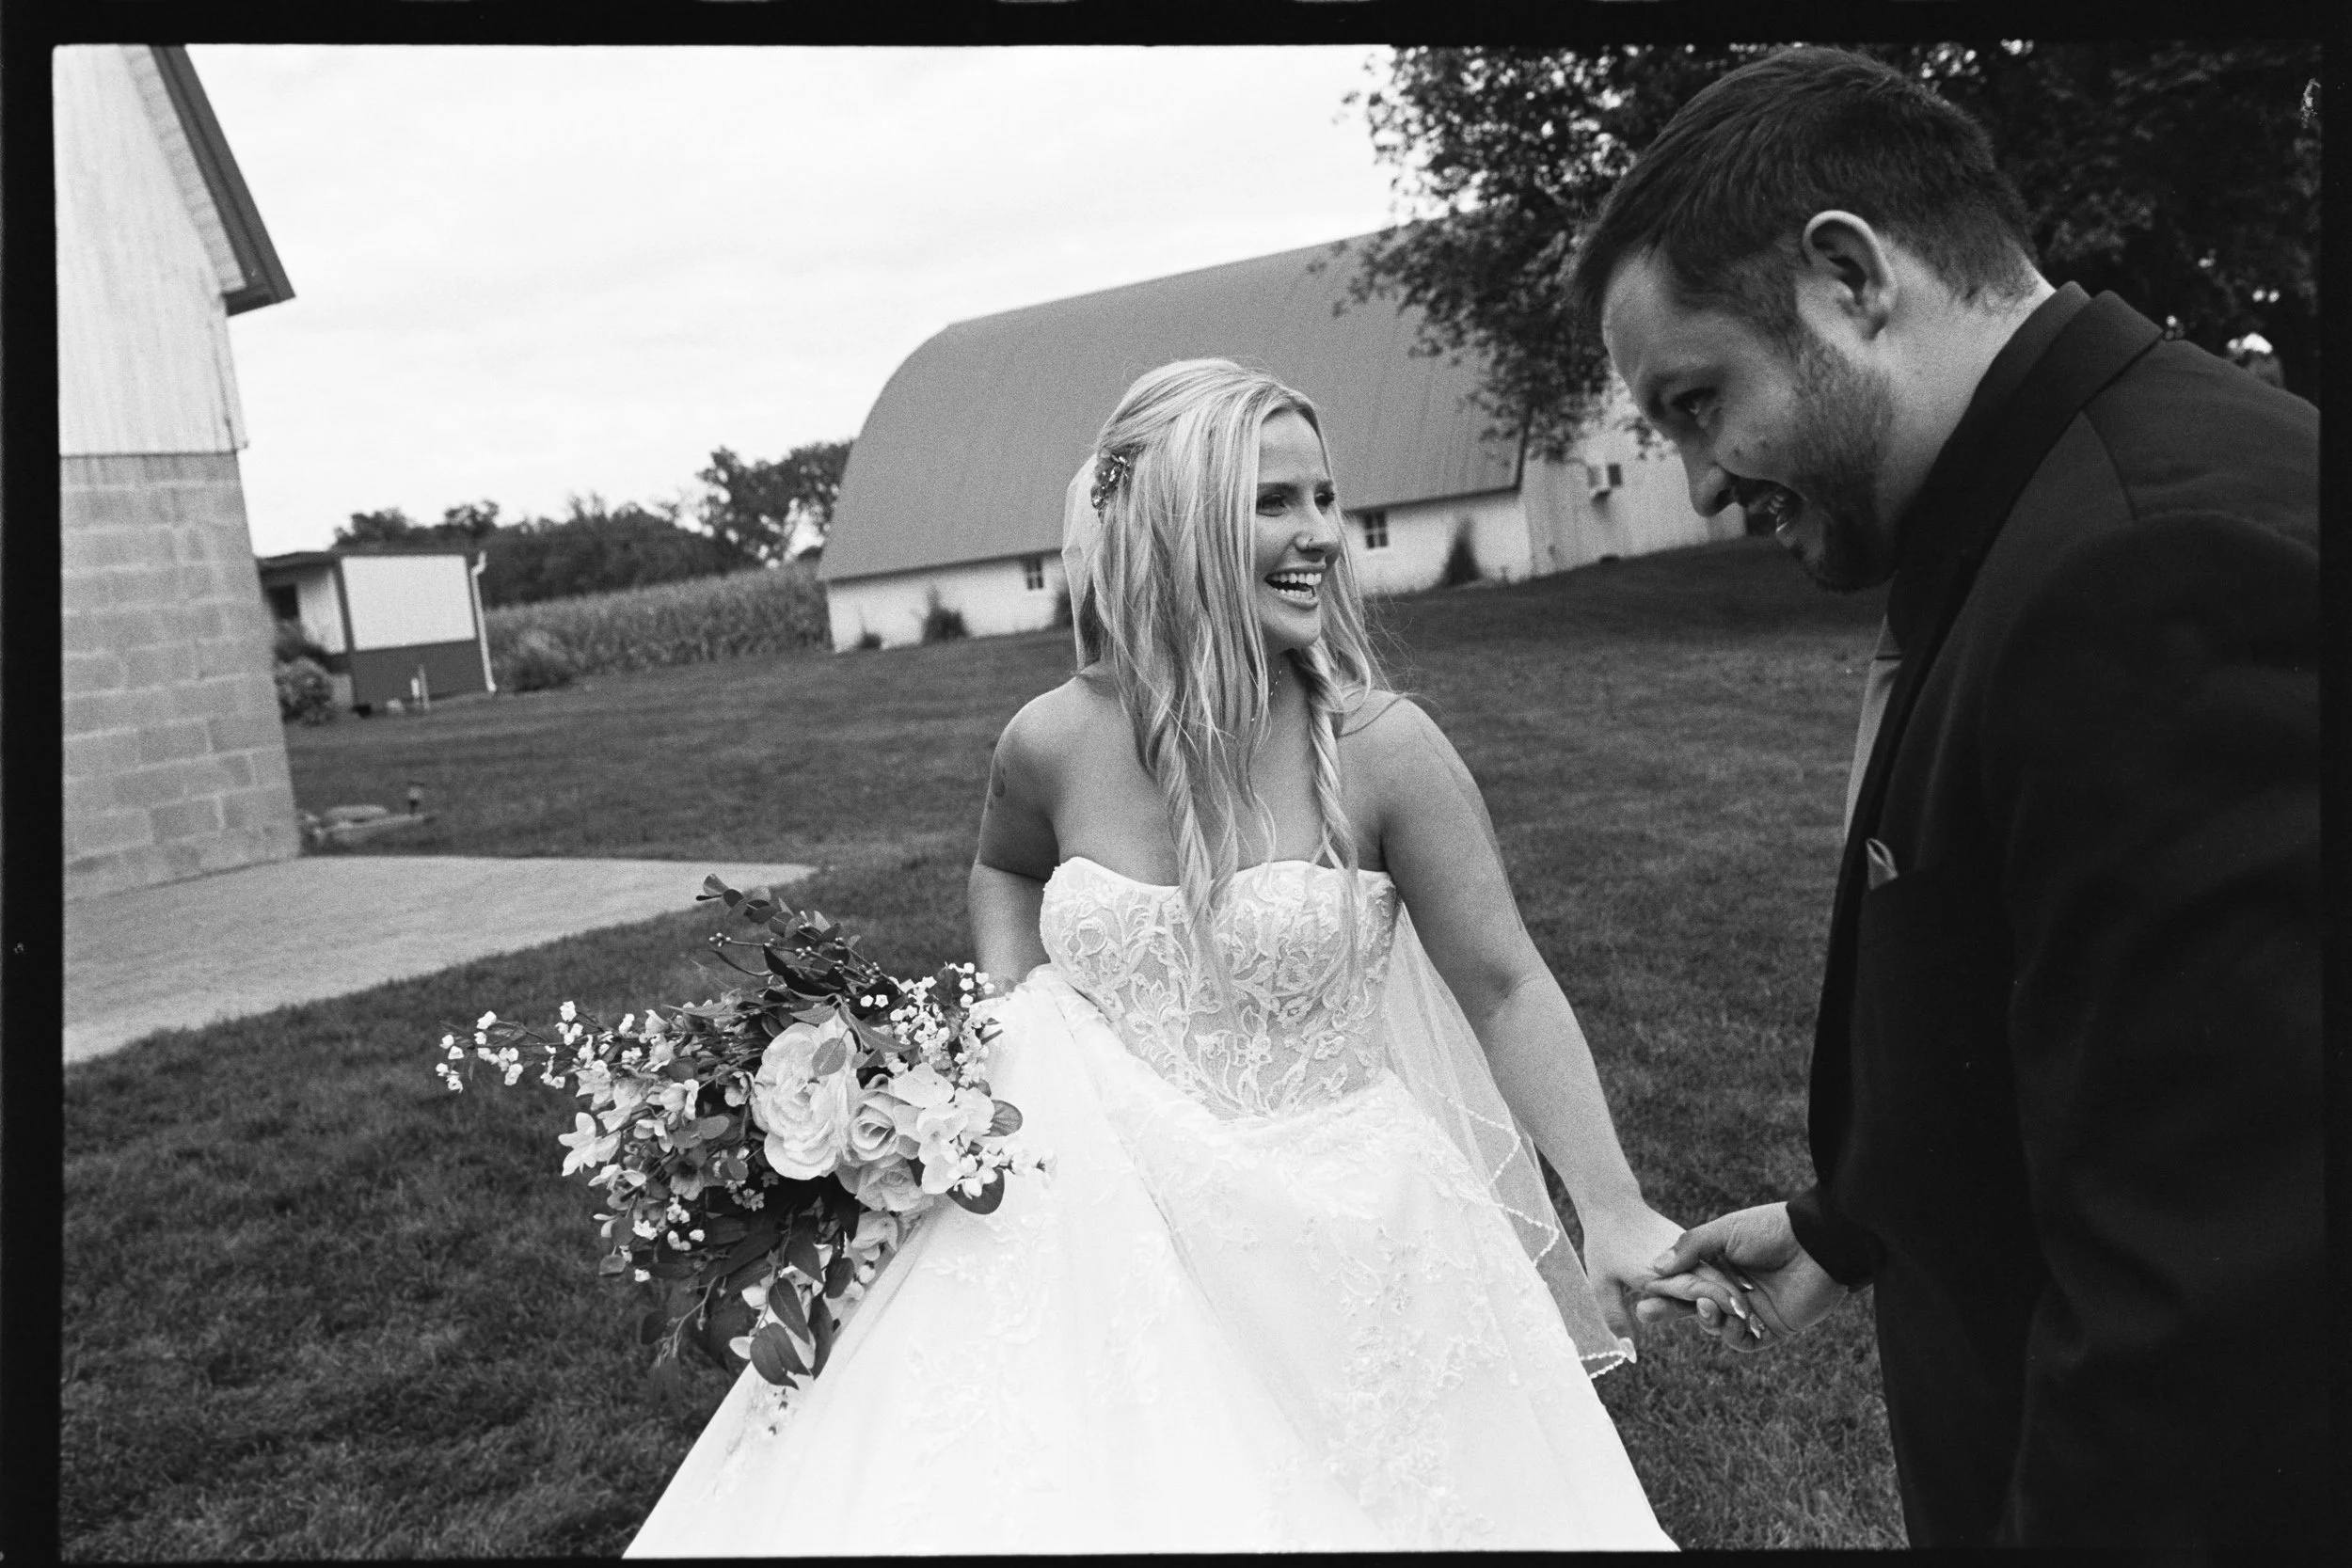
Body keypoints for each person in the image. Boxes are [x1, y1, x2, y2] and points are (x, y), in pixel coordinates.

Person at [626, 358, 1710, 1554]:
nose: (1323, 538)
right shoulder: (1050, 738)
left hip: (1351, 1235)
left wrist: (1610, 1207)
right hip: (1104, 1213)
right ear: (1176, 521)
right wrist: (1007, 1015)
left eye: (1324, 498)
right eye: (1274, 503)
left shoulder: (1385, 749)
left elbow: (1505, 985)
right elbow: (1005, 868)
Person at [1567, 46, 2323, 1549]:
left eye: (1699, 400)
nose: (1704, 484)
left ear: (1850, 276)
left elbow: (2220, 1319)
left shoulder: (2146, 571)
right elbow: (2077, 1032)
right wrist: (1850, 1220)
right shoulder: (2039, 509)